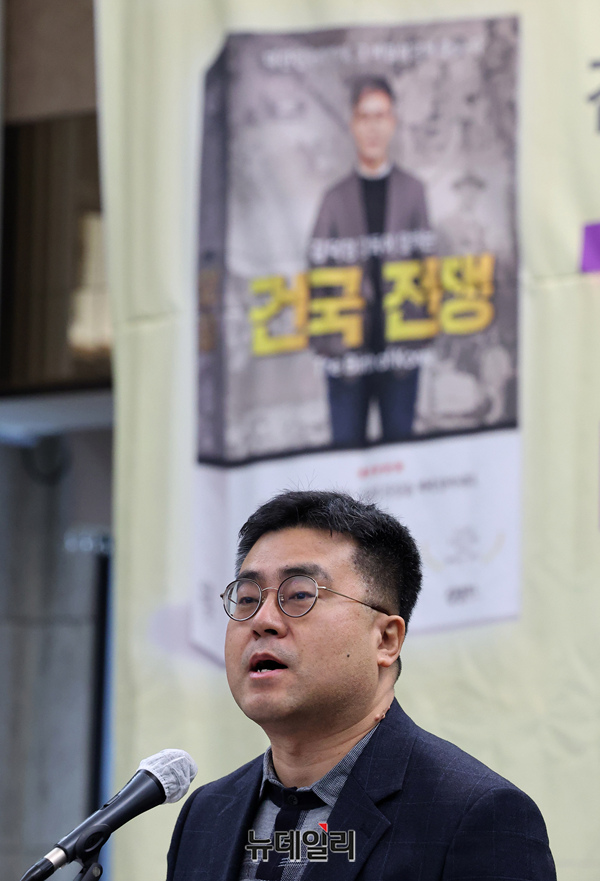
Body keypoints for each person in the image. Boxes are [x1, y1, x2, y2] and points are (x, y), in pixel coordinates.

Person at [167, 490, 556, 881]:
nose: (262, 620)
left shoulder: (475, 814)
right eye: (248, 598)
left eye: (299, 595)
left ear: (385, 639)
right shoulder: (206, 814)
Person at [309, 78, 434, 447]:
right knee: (345, 457)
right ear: (353, 124)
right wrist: (325, 345)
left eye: (381, 116)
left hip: (400, 352)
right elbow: (316, 271)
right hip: (347, 353)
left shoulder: (413, 190)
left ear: (393, 122)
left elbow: (427, 264)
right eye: (365, 117)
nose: (373, 127)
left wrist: (425, 333)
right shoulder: (334, 198)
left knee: (401, 453)